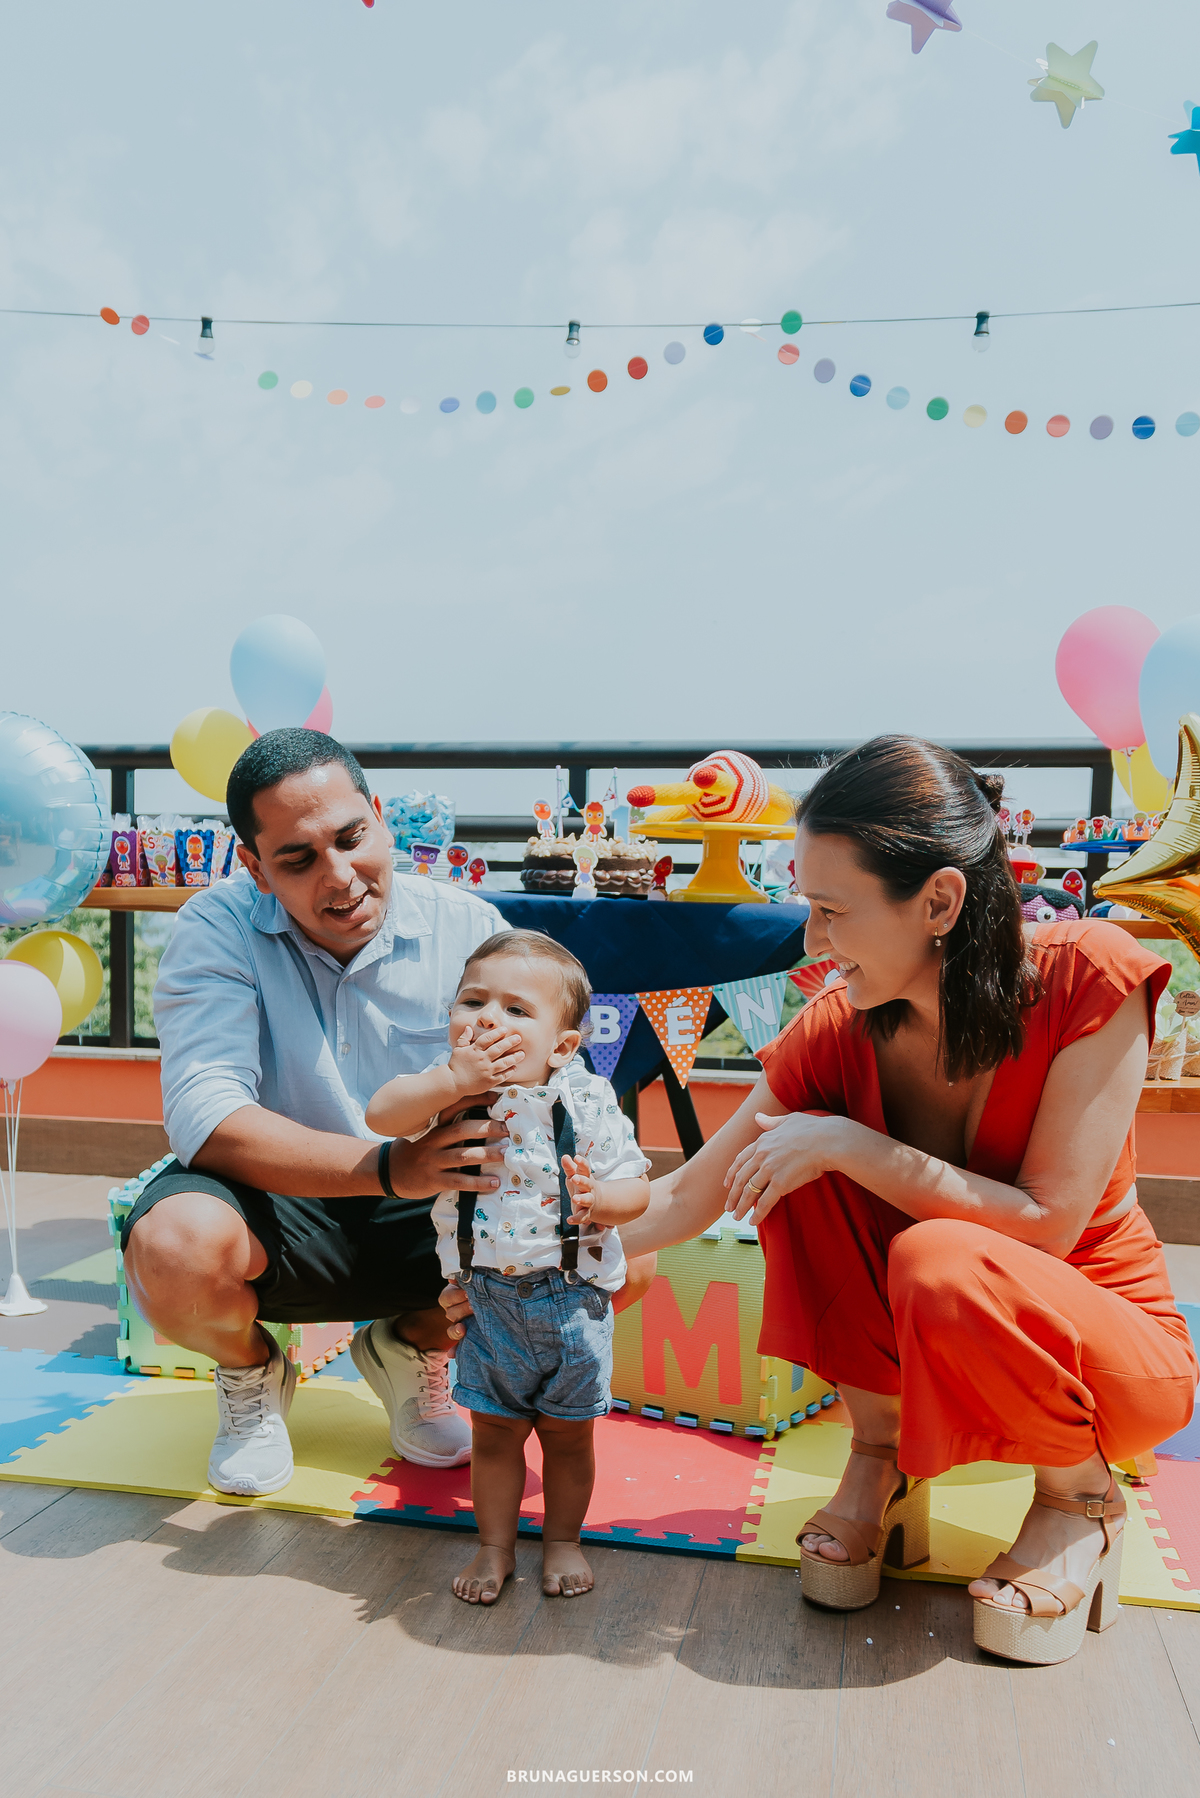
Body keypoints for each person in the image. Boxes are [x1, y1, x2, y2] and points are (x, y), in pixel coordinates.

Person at [582, 735, 1197, 1668]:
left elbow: (1046, 1227)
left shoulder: (1087, 976)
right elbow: (688, 1197)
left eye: (832, 910)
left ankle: (1080, 1499)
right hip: (935, 1344)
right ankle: (883, 1451)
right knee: (788, 1157)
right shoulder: (836, 1030)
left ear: (940, 900)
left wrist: (858, 1146)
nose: (812, 942)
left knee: (925, 1244)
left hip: (1110, 1357)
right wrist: (549, 1237)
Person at [120, 729, 653, 1501]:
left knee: (619, 1257)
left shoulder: (468, 927)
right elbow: (204, 1116)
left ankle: (410, 1345)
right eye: (298, 859)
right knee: (172, 1247)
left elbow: (543, 1087)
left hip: (435, 1211)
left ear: (380, 815)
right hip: (277, 1205)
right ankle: (251, 1371)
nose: (340, 878)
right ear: (253, 865)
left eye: (351, 838)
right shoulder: (216, 927)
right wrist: (385, 1166)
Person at [366, 930, 651, 1605]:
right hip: (484, 1300)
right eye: (473, 1002)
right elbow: (381, 1115)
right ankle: (493, 1548)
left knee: (568, 1437)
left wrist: (602, 1200)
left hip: (572, 1300)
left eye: (517, 1010)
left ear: (562, 1046)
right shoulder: (449, 1095)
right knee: (492, 1435)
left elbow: (636, 1186)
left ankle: (562, 1542)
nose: (488, 1018)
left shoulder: (587, 1103)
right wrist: (450, 1080)